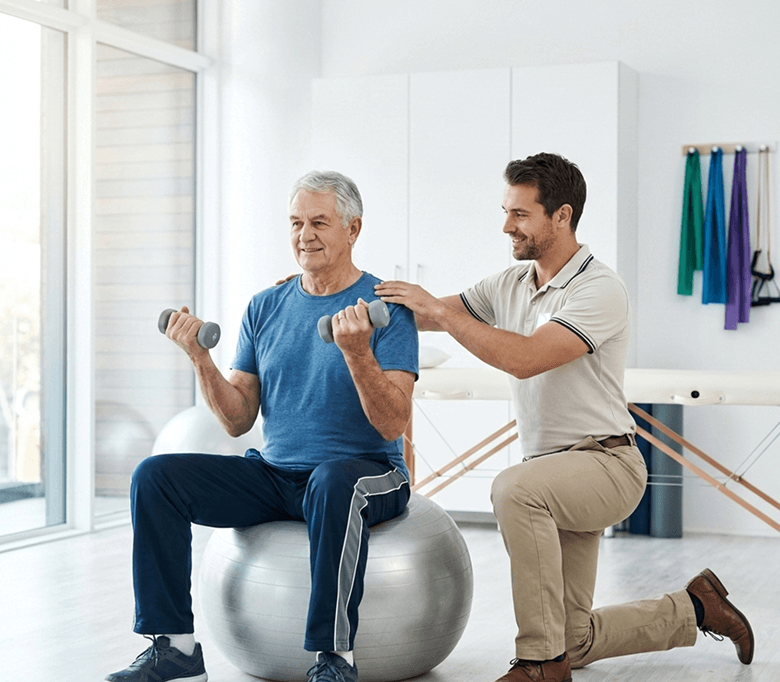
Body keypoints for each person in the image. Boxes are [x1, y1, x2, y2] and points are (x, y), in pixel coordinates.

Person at [376, 152, 754, 682]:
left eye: (520, 214)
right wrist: (333, 287)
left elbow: (525, 358)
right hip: (552, 473)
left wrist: (441, 312)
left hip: (606, 466)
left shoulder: (599, 288)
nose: (506, 225)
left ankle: (537, 665)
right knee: (573, 638)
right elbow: (423, 312)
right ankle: (696, 608)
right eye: (505, 211)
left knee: (513, 489)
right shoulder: (510, 284)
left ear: (562, 216)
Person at [107, 171, 419, 682]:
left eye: (320, 222)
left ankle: (335, 658)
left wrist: (358, 352)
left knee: (332, 480)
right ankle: (176, 651)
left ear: (353, 228)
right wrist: (200, 358)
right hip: (277, 475)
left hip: (365, 473)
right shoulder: (265, 307)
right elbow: (237, 419)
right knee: (155, 476)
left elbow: (393, 421)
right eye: (296, 222)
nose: (305, 235)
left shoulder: (385, 308)